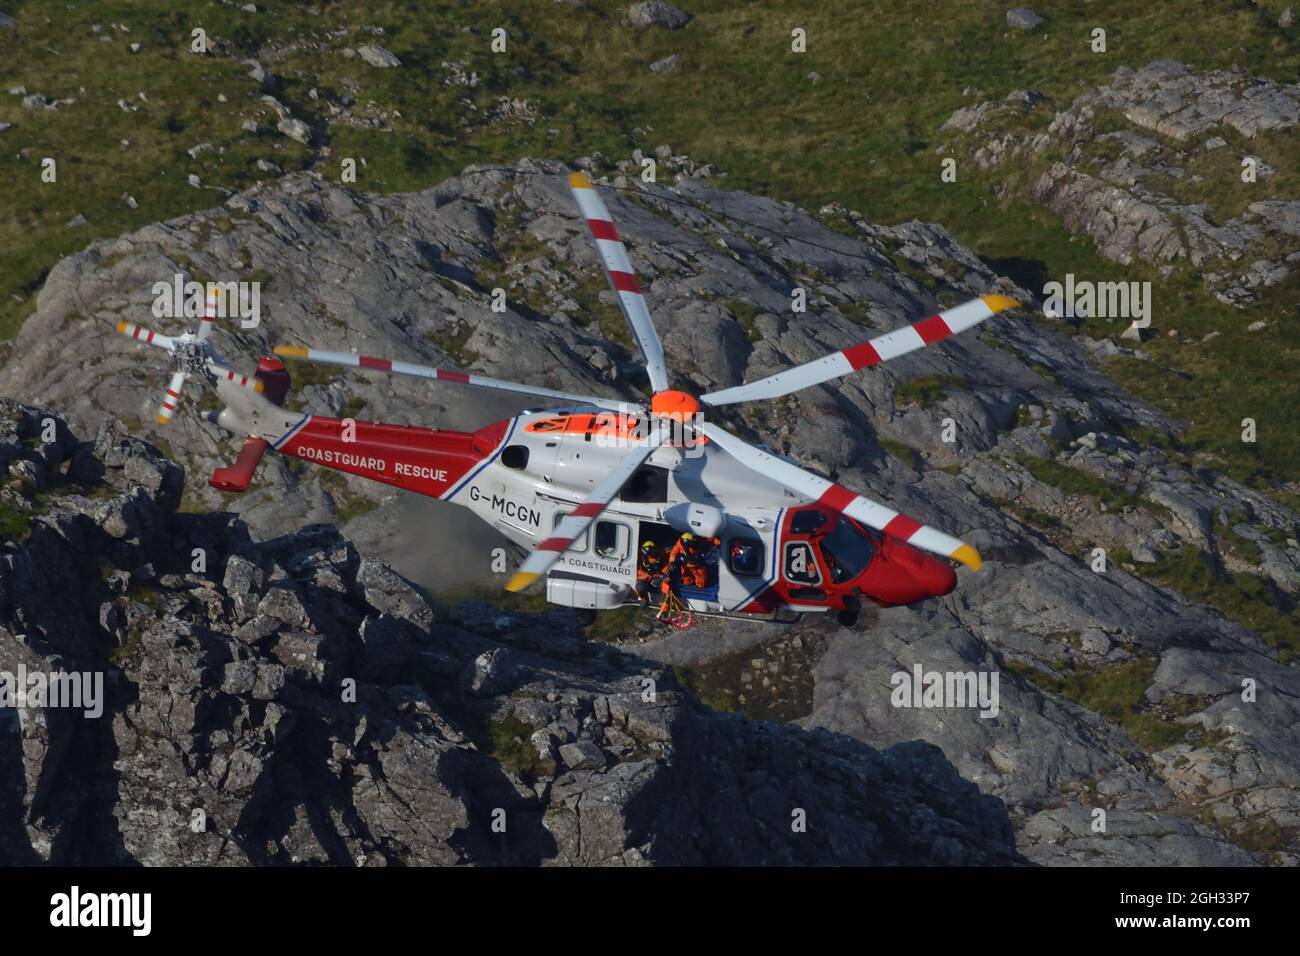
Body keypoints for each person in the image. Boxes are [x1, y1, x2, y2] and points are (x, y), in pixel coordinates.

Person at [635, 540, 668, 609]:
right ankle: (644, 599)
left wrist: (662, 574)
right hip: (645, 576)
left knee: (666, 586)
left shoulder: (661, 553)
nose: (650, 555)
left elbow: (667, 564)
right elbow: (636, 569)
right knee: (639, 587)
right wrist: (647, 574)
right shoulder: (639, 555)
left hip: (659, 575)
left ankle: (664, 605)